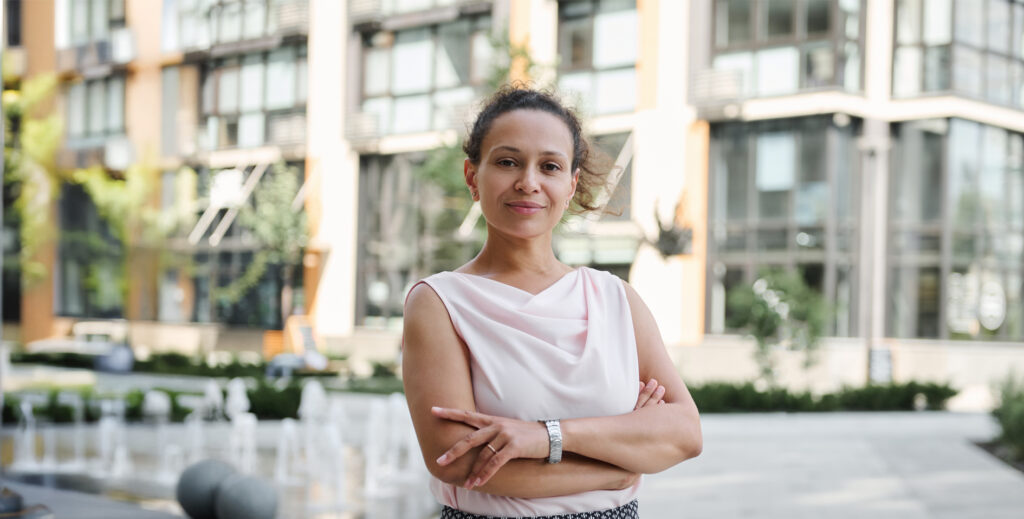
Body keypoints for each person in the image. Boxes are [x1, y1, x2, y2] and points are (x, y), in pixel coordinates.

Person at [402, 86, 702, 519]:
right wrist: (618, 465)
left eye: (550, 166)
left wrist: (543, 438)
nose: (528, 182)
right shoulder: (440, 302)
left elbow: (685, 434)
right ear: (472, 177)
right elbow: (461, 461)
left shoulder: (615, 299)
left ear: (571, 183)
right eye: (507, 162)